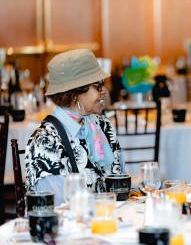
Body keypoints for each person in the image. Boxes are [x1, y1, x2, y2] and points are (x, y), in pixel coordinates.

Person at [25, 49, 124, 205]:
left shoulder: (103, 126)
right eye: (97, 85)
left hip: (108, 221)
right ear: (75, 93)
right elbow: (59, 206)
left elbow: (120, 185)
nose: (104, 91)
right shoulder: (45, 141)